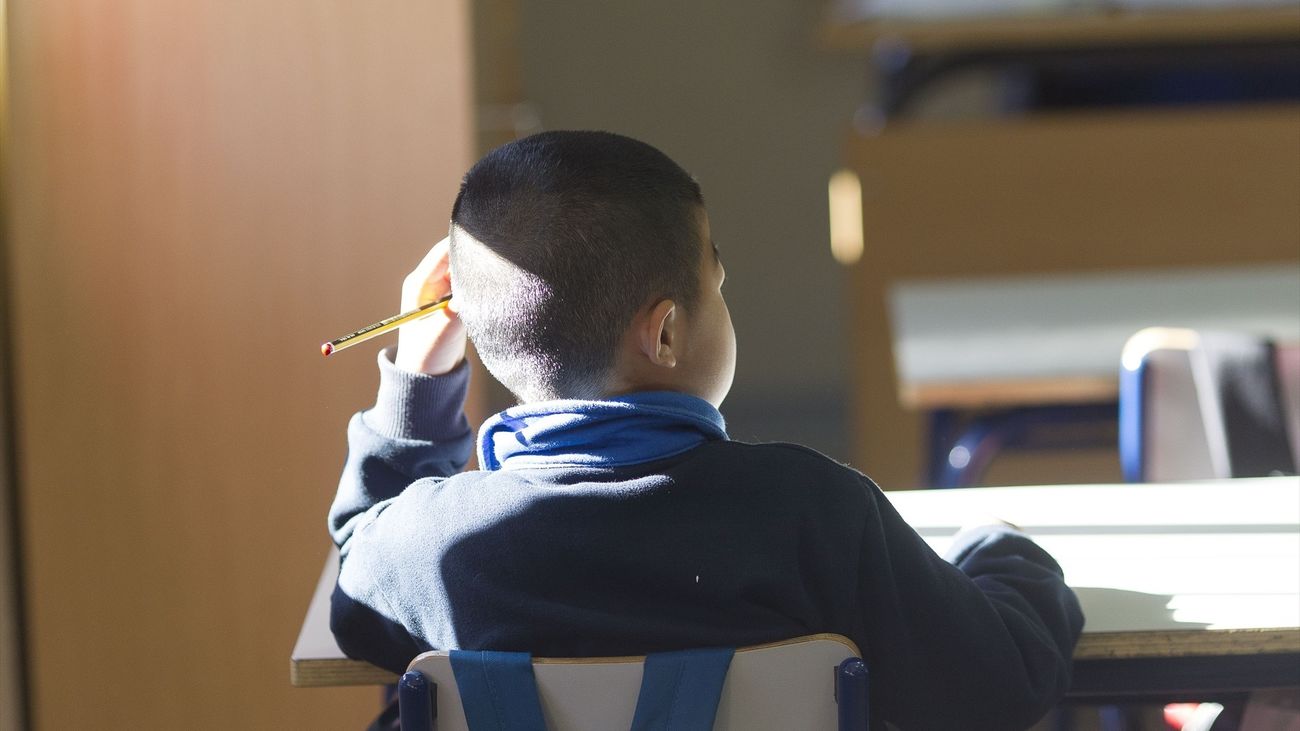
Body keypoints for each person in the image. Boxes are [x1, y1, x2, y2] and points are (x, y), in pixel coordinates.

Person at [329, 130, 1084, 730]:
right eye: (718, 286)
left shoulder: (434, 547)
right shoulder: (809, 510)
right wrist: (1004, 553)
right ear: (665, 335)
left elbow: (357, 570)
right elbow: (997, 687)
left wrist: (420, 380)